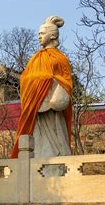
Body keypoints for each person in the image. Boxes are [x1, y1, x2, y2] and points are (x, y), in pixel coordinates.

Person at [10, 16, 73, 158]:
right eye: (38, 34)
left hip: (51, 107)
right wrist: (35, 83)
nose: (39, 36)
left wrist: (48, 81)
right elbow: (26, 77)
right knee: (36, 143)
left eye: (42, 34)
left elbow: (65, 81)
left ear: (52, 36)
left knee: (55, 144)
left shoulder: (60, 58)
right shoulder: (36, 58)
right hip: (36, 107)